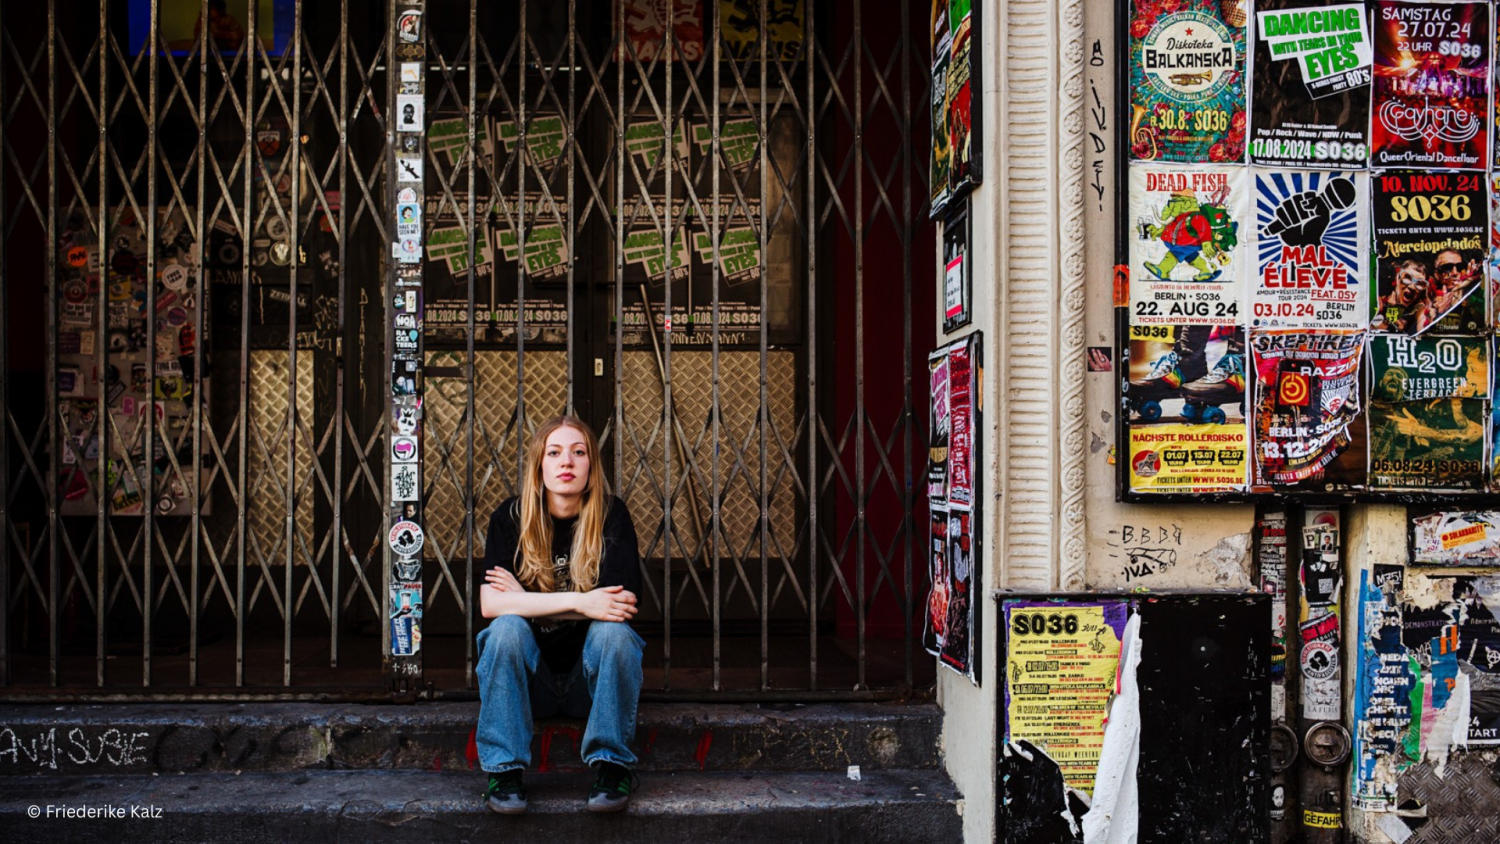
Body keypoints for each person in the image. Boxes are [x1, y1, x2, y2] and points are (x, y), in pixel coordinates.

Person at [476, 415, 644, 815]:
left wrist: (526, 599)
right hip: (528, 689)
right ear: (540, 465)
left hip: (591, 689)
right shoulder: (511, 518)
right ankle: (504, 772)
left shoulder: (611, 516)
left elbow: (619, 609)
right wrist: (584, 602)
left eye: (578, 452)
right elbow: (491, 606)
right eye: (554, 452)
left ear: (590, 467)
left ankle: (611, 765)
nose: (566, 461)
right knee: (505, 631)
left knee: (614, 635)